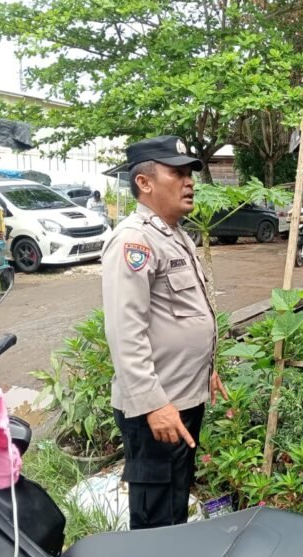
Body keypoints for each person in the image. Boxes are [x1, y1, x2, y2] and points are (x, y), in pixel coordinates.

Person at [101, 135, 228, 530]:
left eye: (190, 173)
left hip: (182, 398)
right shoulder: (133, 241)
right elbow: (125, 331)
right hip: (156, 409)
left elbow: (180, 316)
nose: (189, 181)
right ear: (145, 183)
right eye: (177, 172)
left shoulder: (174, 234)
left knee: (174, 502)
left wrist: (206, 368)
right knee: (155, 517)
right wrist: (153, 404)